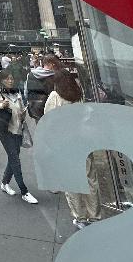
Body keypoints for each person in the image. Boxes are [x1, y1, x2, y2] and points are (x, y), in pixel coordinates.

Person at [44, 70, 103, 228]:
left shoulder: (55, 96)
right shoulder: (78, 95)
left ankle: (80, 217)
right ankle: (95, 216)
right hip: (82, 142)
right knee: (90, 180)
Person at [0, 67, 37, 204]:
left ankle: (4, 183)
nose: (10, 80)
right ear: (2, 80)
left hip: (18, 129)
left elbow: (20, 108)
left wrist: (22, 113)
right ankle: (24, 191)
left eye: (11, 78)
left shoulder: (17, 92)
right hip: (6, 131)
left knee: (13, 158)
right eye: (7, 78)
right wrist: (0, 105)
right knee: (15, 160)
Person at [24, 54, 60, 122]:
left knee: (39, 124)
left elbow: (26, 92)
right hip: (49, 105)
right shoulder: (55, 76)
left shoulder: (31, 74)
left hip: (34, 105)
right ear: (52, 64)